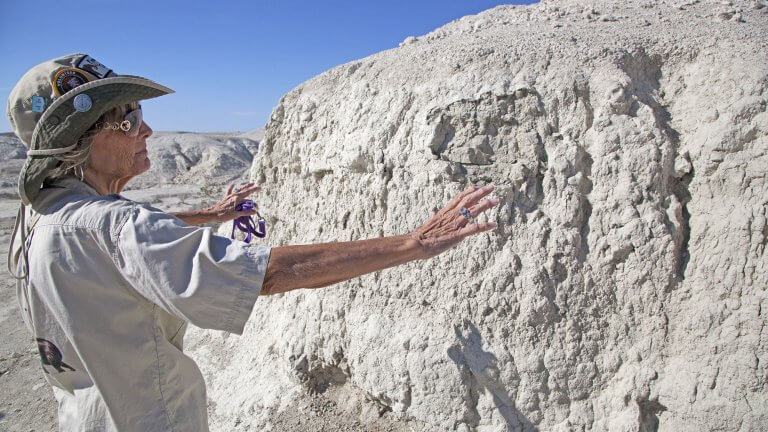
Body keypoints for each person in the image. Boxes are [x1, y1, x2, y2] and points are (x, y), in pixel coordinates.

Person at [6, 53, 499, 431]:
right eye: (128, 118)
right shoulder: (112, 227)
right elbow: (268, 274)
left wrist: (209, 215)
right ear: (81, 142)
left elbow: (111, 234)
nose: (147, 128)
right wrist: (411, 244)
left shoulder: (41, 215)